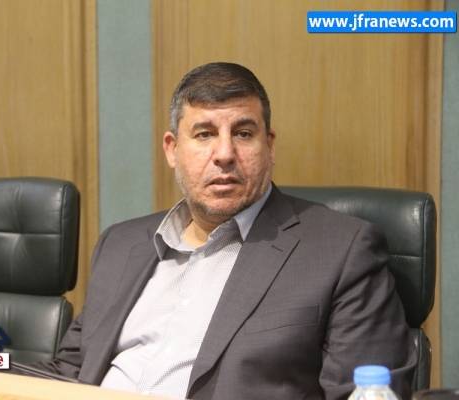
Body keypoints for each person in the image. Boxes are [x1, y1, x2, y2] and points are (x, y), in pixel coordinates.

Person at [35, 62, 416, 399]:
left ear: (269, 146)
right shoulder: (121, 244)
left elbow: (367, 393)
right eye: (204, 134)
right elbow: (68, 372)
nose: (224, 154)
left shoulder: (340, 250)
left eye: (244, 133)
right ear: (172, 149)